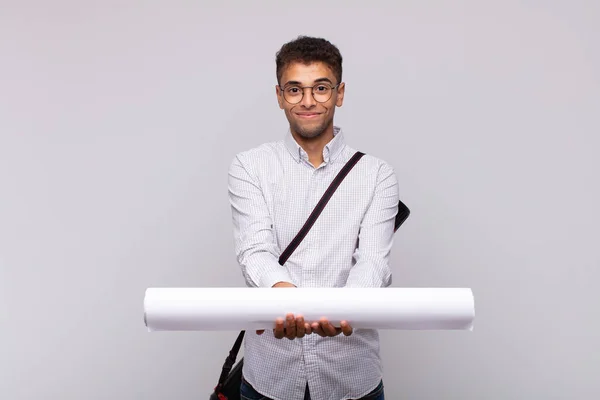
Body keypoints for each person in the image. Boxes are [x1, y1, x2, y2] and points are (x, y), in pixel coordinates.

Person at [228, 35, 398, 400]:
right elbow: (255, 251)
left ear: (339, 93)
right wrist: (286, 299)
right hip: (270, 379)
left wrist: (341, 311)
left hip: (352, 378)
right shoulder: (250, 166)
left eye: (321, 88)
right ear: (279, 96)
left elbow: (372, 262)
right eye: (295, 89)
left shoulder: (376, 174)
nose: (308, 101)